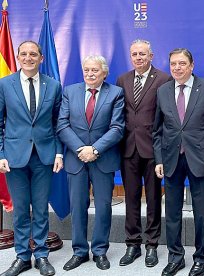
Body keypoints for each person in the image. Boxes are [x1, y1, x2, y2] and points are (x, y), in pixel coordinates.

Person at [153, 48, 204, 276]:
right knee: (172, 212)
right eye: (173, 64)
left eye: (182, 63)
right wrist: (159, 159)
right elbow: (157, 130)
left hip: (200, 158)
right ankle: (176, 257)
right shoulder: (162, 91)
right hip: (171, 159)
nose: (177, 68)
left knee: (201, 212)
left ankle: (201, 257)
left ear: (192, 65)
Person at [0, 41, 63, 276]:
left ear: (41, 58)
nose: (28, 58)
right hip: (14, 158)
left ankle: (42, 255)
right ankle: (22, 257)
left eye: (33, 54)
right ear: (17, 57)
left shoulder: (54, 86)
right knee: (20, 211)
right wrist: (0, 154)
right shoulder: (5, 85)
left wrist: (58, 152)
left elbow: (58, 123)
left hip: (44, 157)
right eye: (24, 54)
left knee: (40, 208)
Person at [57, 55, 125, 271]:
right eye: (87, 70)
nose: (90, 73)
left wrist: (94, 149)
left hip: (102, 158)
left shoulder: (115, 93)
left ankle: (99, 251)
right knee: (77, 206)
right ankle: (79, 251)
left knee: (104, 206)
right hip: (76, 158)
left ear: (104, 73)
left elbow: (117, 128)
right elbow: (62, 125)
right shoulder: (70, 91)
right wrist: (81, 149)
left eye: (95, 70)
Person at [116, 39, 171, 267]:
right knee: (130, 198)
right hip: (128, 147)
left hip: (152, 148)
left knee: (153, 198)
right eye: (135, 54)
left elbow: (166, 117)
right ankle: (132, 244)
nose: (138, 58)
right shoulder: (123, 80)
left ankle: (152, 245)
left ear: (151, 56)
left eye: (142, 54)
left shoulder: (163, 80)